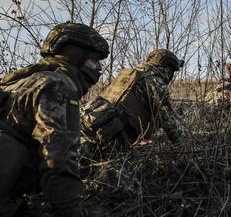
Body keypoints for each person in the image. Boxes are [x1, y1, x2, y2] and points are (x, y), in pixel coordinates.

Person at [0, 22, 109, 216]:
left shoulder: (20, 81)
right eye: (95, 60)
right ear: (76, 56)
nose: (99, 67)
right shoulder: (59, 86)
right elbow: (57, 161)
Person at [82, 48, 186, 148]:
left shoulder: (129, 74)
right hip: (115, 134)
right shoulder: (155, 81)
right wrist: (184, 145)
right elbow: (168, 121)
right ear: (167, 68)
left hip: (94, 122)